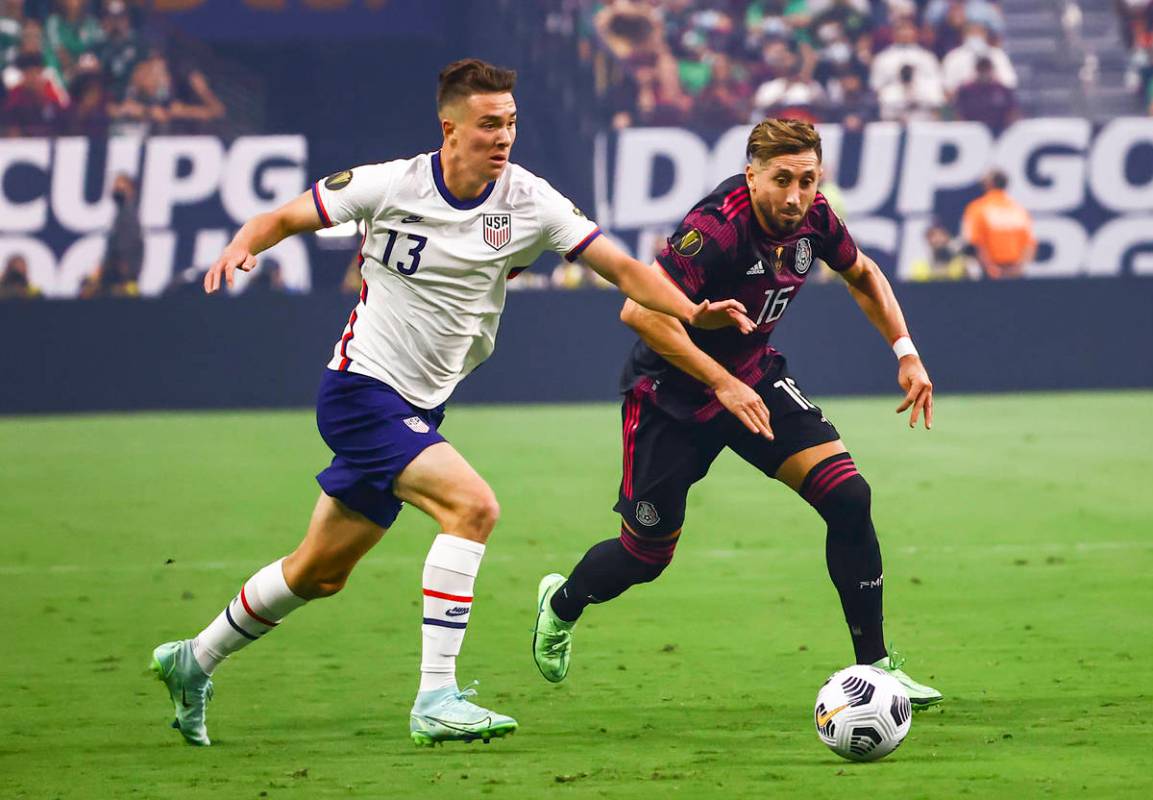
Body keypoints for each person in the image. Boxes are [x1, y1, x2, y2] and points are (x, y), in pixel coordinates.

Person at [149, 58, 753, 749]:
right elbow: (282, 216)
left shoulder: (529, 200)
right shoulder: (390, 184)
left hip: (418, 408)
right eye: (490, 124)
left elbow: (619, 267)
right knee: (473, 507)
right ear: (451, 128)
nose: (503, 137)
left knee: (318, 573)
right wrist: (240, 246)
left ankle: (192, 660)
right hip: (359, 390)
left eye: (512, 123)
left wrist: (689, 310)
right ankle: (435, 695)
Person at [531, 118, 944, 712]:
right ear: (752, 174)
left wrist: (906, 353)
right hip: (670, 398)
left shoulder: (816, 219)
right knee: (645, 556)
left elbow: (863, 273)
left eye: (808, 179)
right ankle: (562, 602)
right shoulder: (716, 229)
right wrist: (719, 382)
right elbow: (640, 313)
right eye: (782, 180)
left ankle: (876, 667)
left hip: (754, 380)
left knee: (849, 498)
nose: (797, 195)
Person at [962, 169, 1035, 279]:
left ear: (989, 184)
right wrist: (1019, 268)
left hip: (990, 272)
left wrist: (990, 268)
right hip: (1015, 271)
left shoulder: (978, 208)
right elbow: (1029, 245)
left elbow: (976, 243)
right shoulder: (1018, 209)